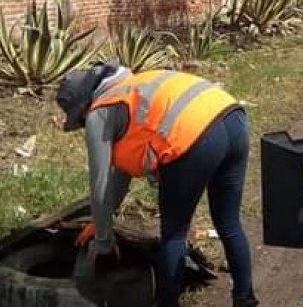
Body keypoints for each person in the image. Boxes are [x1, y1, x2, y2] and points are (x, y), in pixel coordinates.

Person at [56, 64, 257, 307]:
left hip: (193, 134)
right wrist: (100, 223)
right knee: (228, 221)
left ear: (82, 107)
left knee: (174, 232)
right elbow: (120, 174)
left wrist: (103, 243)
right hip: (232, 117)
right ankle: (244, 297)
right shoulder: (131, 88)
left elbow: (99, 186)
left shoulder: (99, 114)